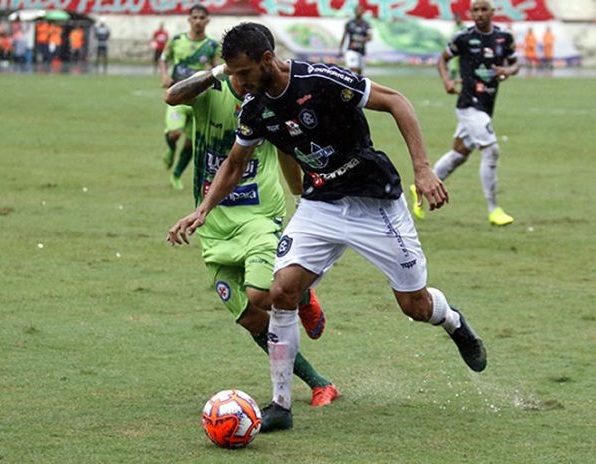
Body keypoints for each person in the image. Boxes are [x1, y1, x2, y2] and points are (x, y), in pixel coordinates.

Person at [167, 22, 488, 433]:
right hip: (321, 205)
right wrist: (204, 210)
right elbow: (234, 163)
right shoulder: (253, 109)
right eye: (231, 73)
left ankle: (454, 323)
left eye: (243, 72)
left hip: (374, 201)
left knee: (415, 306)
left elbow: (397, 101)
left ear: (267, 60)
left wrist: (423, 170)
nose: (237, 81)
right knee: (281, 290)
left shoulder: (320, 79)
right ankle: (281, 405)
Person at [164, 24, 340, 408]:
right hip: (212, 222)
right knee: (248, 317)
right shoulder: (211, 92)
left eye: (248, 73)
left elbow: (287, 150)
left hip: (260, 213)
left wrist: (301, 194)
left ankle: (301, 294)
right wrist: (216, 73)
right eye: (237, 74)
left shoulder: (267, 101)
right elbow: (172, 96)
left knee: (261, 294)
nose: (245, 82)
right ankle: (319, 382)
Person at [423, 0, 519, 226]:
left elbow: (515, 64)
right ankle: (494, 209)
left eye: (484, 9)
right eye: (475, 10)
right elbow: (442, 59)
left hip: (487, 104)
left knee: (460, 153)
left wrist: (507, 70)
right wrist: (446, 81)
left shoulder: (504, 38)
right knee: (491, 150)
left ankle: (425, 183)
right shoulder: (463, 38)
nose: (479, 14)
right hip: (468, 103)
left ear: (492, 12)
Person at [159, 5, 218, 191]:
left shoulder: (212, 46)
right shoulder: (177, 40)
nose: (198, 21)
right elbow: (163, 58)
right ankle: (170, 148)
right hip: (177, 95)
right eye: (195, 17)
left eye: (202, 17)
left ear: (207, 20)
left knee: (191, 143)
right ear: (189, 20)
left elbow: (218, 70)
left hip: (199, 99)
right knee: (175, 134)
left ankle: (176, 175)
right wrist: (164, 76)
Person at [338, 5, 372, 75]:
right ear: (354, 11)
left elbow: (370, 37)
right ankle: (351, 83)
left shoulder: (366, 24)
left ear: (363, 12)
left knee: (360, 72)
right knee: (352, 67)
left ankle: (359, 84)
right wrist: (340, 49)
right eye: (357, 10)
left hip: (361, 51)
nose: (358, 12)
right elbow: (344, 36)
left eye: (360, 10)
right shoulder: (349, 23)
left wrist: (362, 40)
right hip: (351, 49)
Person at [448, 13, 466, 80]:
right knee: (453, 67)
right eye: (455, 19)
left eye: (458, 18)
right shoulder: (454, 27)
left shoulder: (463, 27)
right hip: (454, 49)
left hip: (462, 50)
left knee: (462, 67)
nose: (456, 20)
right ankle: (451, 81)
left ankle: (463, 80)